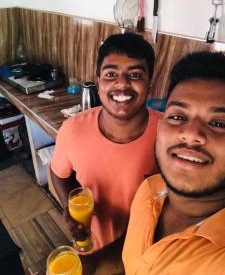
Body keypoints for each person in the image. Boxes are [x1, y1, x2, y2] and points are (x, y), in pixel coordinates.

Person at [50, 33, 160, 255]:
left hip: (147, 254)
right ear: (98, 80)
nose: (122, 84)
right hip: (93, 248)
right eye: (111, 74)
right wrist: (68, 207)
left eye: (136, 74)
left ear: (150, 84)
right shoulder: (72, 130)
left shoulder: (169, 135)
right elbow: (59, 174)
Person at [123, 51, 225, 274]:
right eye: (178, 117)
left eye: (218, 123)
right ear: (159, 128)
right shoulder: (149, 189)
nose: (190, 134)